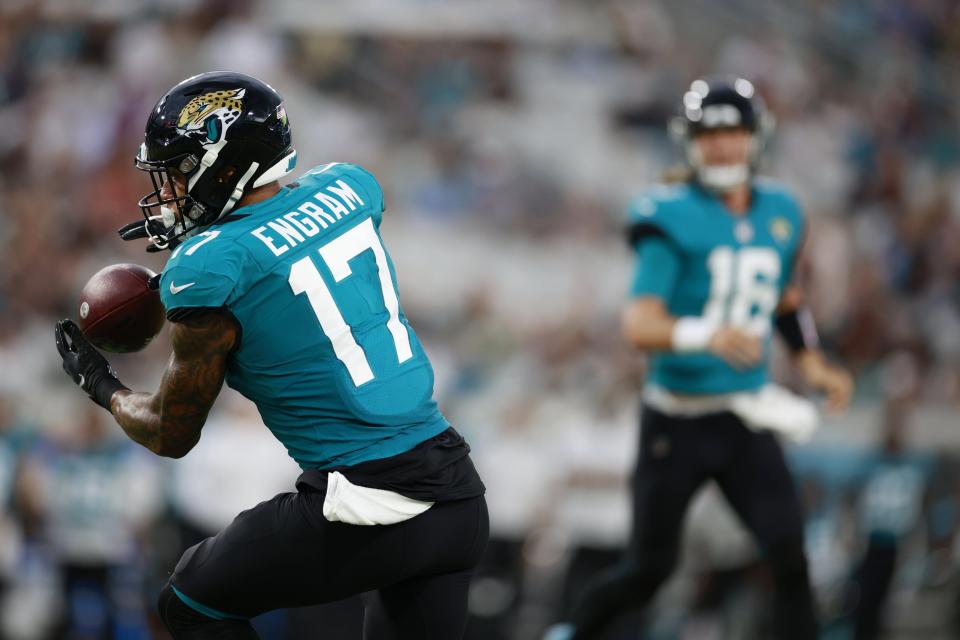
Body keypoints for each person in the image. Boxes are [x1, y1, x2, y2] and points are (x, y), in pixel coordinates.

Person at [54, 71, 488, 640]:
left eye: (182, 173)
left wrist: (102, 386)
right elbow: (287, 244)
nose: (171, 192)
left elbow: (170, 432)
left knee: (191, 600)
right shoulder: (349, 186)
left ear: (225, 167)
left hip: (365, 502)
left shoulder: (208, 268)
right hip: (457, 497)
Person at [547, 77, 853, 640]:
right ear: (688, 141)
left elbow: (785, 296)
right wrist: (705, 335)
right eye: (709, 134)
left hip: (744, 413)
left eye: (733, 132)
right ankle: (569, 634)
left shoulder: (782, 209)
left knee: (789, 555)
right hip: (677, 418)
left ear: (755, 137)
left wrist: (810, 360)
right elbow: (639, 323)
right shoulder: (668, 213)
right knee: (648, 570)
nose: (721, 146)